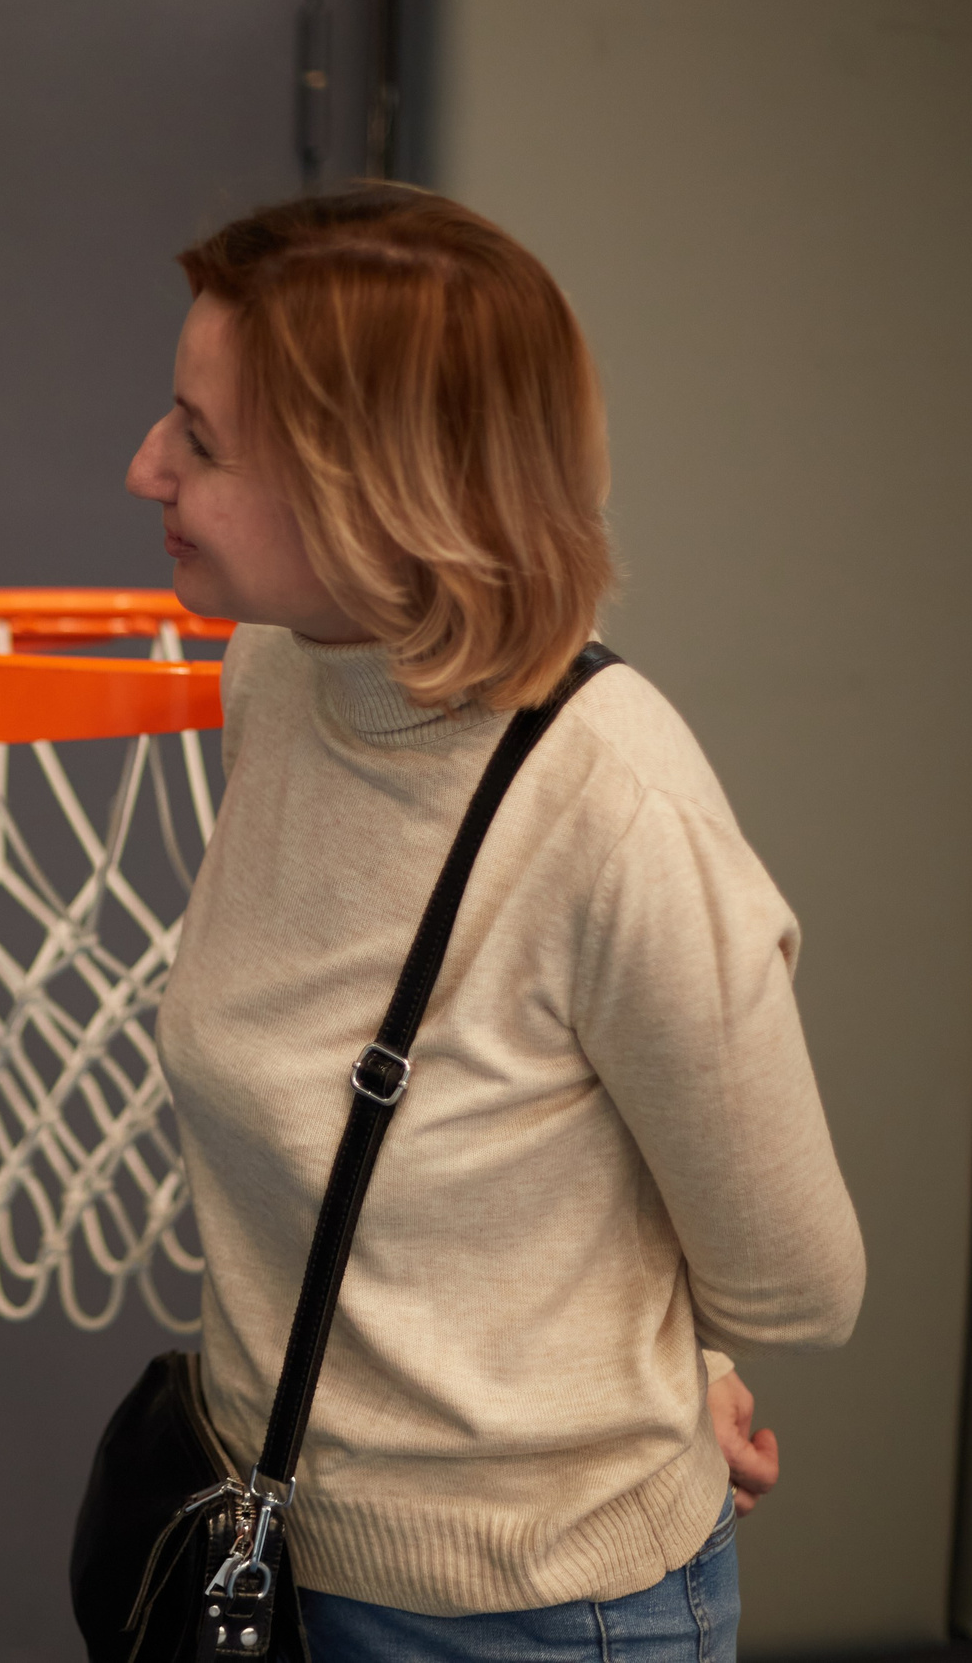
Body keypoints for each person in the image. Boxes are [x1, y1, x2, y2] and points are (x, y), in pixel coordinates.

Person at [125, 186, 864, 1660]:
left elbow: (798, 1273)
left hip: (533, 1616)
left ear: (369, 488)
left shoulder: (613, 808)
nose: (144, 464)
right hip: (281, 1554)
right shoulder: (279, 674)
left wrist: (676, 1371)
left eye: (200, 443)